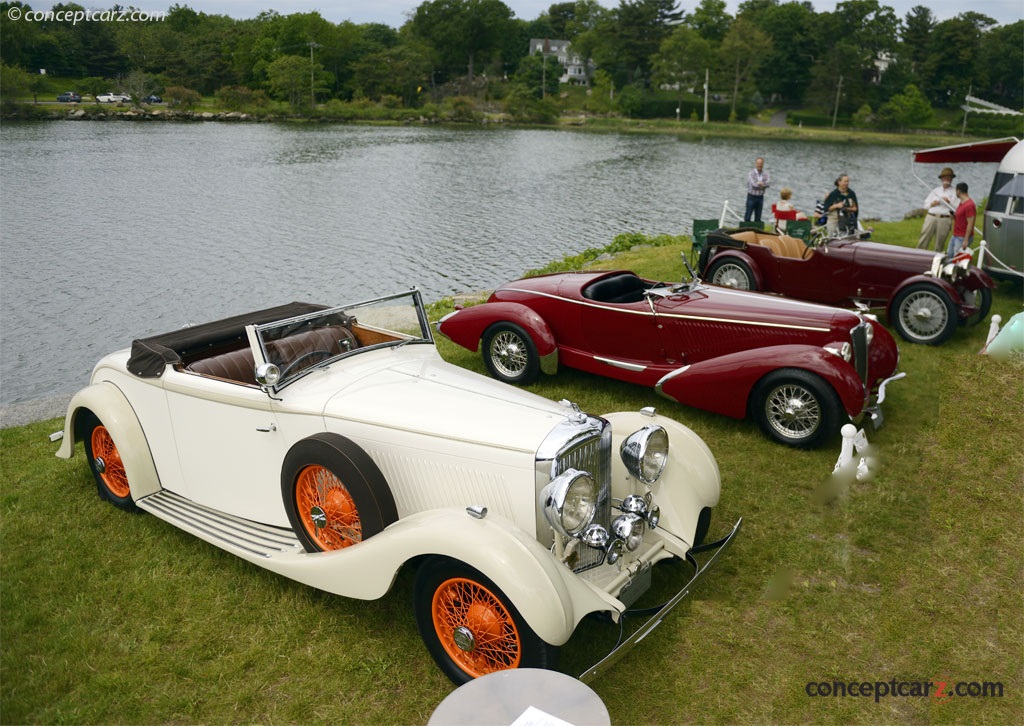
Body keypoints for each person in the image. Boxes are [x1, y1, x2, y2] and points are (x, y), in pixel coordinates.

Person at [918, 167, 958, 251]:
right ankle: (919, 255)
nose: (946, 179)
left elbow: (957, 208)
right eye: (945, 177)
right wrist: (933, 204)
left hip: (944, 218)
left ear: (951, 179)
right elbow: (926, 205)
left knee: (940, 241)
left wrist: (948, 203)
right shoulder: (935, 190)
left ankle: (936, 258)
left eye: (948, 178)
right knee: (924, 237)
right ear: (941, 179)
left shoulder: (954, 192)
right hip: (931, 216)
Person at [946, 182, 976, 259]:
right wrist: (954, 216)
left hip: (962, 237)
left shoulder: (969, 205)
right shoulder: (961, 202)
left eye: (956, 191)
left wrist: (965, 240)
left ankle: (956, 270)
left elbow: (970, 223)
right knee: (949, 254)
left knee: (957, 257)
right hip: (955, 234)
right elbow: (961, 216)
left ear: (958, 191)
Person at [744, 157, 771, 223]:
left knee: (758, 217)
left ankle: (756, 231)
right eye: (758, 163)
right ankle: (745, 230)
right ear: (756, 164)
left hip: (760, 197)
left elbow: (768, 183)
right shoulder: (751, 173)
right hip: (751, 197)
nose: (759, 165)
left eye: (761, 163)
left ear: (763, 164)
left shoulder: (766, 174)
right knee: (748, 215)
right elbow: (754, 185)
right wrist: (762, 185)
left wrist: (760, 183)